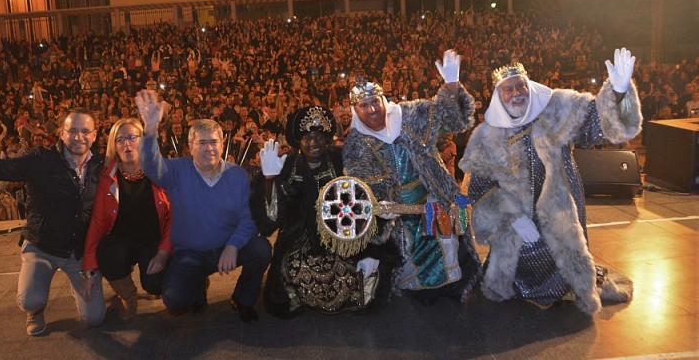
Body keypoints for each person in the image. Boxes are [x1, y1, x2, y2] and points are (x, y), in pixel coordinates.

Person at [459, 48, 641, 314]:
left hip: (560, 214)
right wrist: (511, 219)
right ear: (499, 96)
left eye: (520, 86)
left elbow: (598, 125)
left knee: (566, 260)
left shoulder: (556, 110)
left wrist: (619, 92)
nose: (516, 93)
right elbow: (479, 190)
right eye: (507, 90)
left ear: (529, 86)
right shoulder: (486, 137)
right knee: (518, 270)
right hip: (517, 228)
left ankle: (570, 284)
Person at [0, 108, 106, 335]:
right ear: (61, 133)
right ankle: (35, 310)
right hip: (42, 245)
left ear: (94, 134)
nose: (78, 137)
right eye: (72, 130)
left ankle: (78, 288)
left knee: (94, 318)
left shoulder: (100, 166)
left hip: (78, 251)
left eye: (85, 131)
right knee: (30, 300)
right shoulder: (40, 159)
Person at [342, 50, 482, 304]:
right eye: (364, 105)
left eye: (376, 102)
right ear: (355, 110)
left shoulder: (410, 115)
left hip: (430, 196)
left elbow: (453, 120)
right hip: (394, 213)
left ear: (384, 100)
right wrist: (379, 206)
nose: (372, 109)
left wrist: (451, 85)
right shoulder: (355, 143)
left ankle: (447, 289)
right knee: (402, 260)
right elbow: (358, 184)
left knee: (445, 242)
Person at [134, 89, 271, 324]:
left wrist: (233, 245)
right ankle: (198, 286)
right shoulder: (176, 171)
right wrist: (150, 129)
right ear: (190, 146)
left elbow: (249, 217)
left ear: (222, 144)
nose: (209, 148)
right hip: (191, 253)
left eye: (214, 142)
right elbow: (149, 164)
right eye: (202, 143)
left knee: (261, 249)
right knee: (175, 301)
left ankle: (243, 299)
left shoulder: (237, 175)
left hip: (227, 246)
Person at [250, 106, 398, 319]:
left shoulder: (342, 162)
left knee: (358, 267)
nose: (313, 142)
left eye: (319, 136)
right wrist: (270, 180)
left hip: (342, 230)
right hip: (299, 235)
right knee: (295, 268)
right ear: (298, 141)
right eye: (307, 136)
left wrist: (377, 215)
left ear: (328, 138)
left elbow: (363, 198)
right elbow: (270, 222)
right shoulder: (286, 166)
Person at [81, 118, 172, 321]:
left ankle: (187, 281)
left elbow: (173, 219)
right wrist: (87, 269)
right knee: (105, 251)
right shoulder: (107, 177)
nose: (126, 143)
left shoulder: (161, 172)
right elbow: (97, 224)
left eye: (132, 137)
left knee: (154, 284)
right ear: (114, 144)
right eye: (120, 139)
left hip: (153, 241)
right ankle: (128, 296)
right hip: (122, 241)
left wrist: (163, 254)